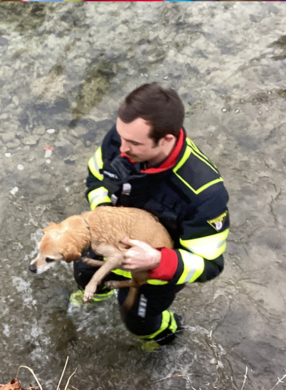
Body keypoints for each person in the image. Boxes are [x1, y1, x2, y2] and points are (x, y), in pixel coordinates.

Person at [72, 83, 230, 348]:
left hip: (157, 267)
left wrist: (157, 260)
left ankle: (164, 337)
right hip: (108, 239)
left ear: (166, 139)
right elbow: (95, 177)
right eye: (120, 135)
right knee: (83, 269)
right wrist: (102, 214)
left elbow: (210, 266)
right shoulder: (121, 138)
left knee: (137, 319)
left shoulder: (205, 193)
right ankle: (93, 296)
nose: (120, 148)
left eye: (133, 143)